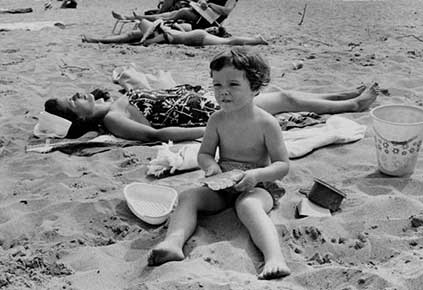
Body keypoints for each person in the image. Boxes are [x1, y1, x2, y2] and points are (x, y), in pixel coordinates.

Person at [147, 47, 291, 279]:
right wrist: (211, 167)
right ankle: (173, 243)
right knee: (188, 196)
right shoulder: (216, 120)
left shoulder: (266, 123)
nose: (223, 92)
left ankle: (274, 257)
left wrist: (256, 176)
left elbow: (282, 166)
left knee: (248, 207)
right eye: (217, 85)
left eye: (233, 85)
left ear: (255, 88)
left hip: (258, 186)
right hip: (221, 184)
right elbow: (204, 154)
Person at [44, 77, 379, 141]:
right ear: (82, 118)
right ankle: (353, 103)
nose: (77, 94)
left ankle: (343, 94)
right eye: (72, 102)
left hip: (205, 98)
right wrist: (209, 131)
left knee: (280, 95)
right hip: (211, 113)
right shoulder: (116, 120)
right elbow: (155, 134)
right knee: (284, 100)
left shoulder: (114, 102)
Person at [82, 18, 266, 46]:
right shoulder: (163, 28)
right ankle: (97, 39)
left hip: (190, 37)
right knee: (131, 36)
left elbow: (156, 25)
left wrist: (144, 41)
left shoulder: (152, 25)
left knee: (227, 43)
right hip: (181, 38)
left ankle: (255, 40)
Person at [112, 0, 238, 30]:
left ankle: (137, 17)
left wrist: (209, 4)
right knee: (172, 13)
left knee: (178, 13)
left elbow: (226, 11)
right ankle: (134, 17)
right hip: (203, 14)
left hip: (210, 20)